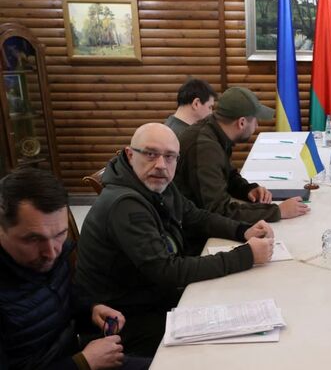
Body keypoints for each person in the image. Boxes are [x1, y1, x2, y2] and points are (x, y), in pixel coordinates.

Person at [75, 123, 276, 357]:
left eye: (170, 156)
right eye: (150, 154)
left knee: (236, 298)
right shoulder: (125, 205)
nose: (161, 164)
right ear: (130, 155)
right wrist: (246, 255)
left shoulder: (153, 182)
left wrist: (243, 231)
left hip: (149, 297)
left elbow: (195, 216)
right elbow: (167, 271)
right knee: (226, 342)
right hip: (124, 321)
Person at [0, 168, 149, 370]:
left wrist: (91, 311)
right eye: (33, 239)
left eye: (60, 234)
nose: (51, 252)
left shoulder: (52, 255)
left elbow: (58, 301)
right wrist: (82, 362)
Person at [174, 87, 309, 227]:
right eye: (255, 120)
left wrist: (247, 189)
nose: (257, 125)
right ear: (242, 122)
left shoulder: (215, 129)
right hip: (191, 231)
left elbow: (228, 175)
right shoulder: (205, 148)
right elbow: (219, 210)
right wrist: (277, 211)